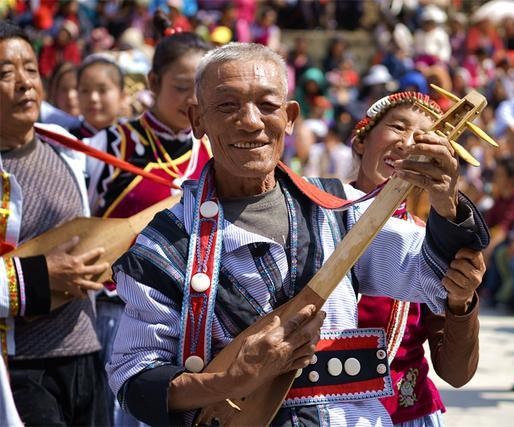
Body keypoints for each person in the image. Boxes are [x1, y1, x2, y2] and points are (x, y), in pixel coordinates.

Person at [106, 43, 489, 426]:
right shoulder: (165, 242)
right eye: (227, 106)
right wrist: (232, 379)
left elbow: (431, 275)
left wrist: (446, 204)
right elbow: (135, 378)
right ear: (197, 120)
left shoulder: (341, 209)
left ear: (290, 118)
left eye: (268, 106)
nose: (251, 121)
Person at [85, 27, 212, 426]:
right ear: (153, 83)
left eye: (201, 88)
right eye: (180, 87)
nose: (192, 100)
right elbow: (81, 224)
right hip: (112, 311)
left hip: (187, 316)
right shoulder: (110, 146)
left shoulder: (214, 153)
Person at [351, 91, 485, 425]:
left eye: (425, 138)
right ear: (360, 141)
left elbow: (455, 373)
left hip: (406, 415)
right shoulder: (313, 215)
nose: (409, 144)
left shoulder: (431, 245)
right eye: (398, 127)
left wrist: (460, 303)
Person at [0, 21, 109, 425]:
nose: (24, 83)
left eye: (30, 69)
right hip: (19, 370)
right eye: (5, 73)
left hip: (85, 356)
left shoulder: (68, 150)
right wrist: (38, 279)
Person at [70, 55, 127, 139]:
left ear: (122, 96)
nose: (93, 98)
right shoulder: (66, 142)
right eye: (85, 90)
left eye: (102, 90)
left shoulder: (135, 140)